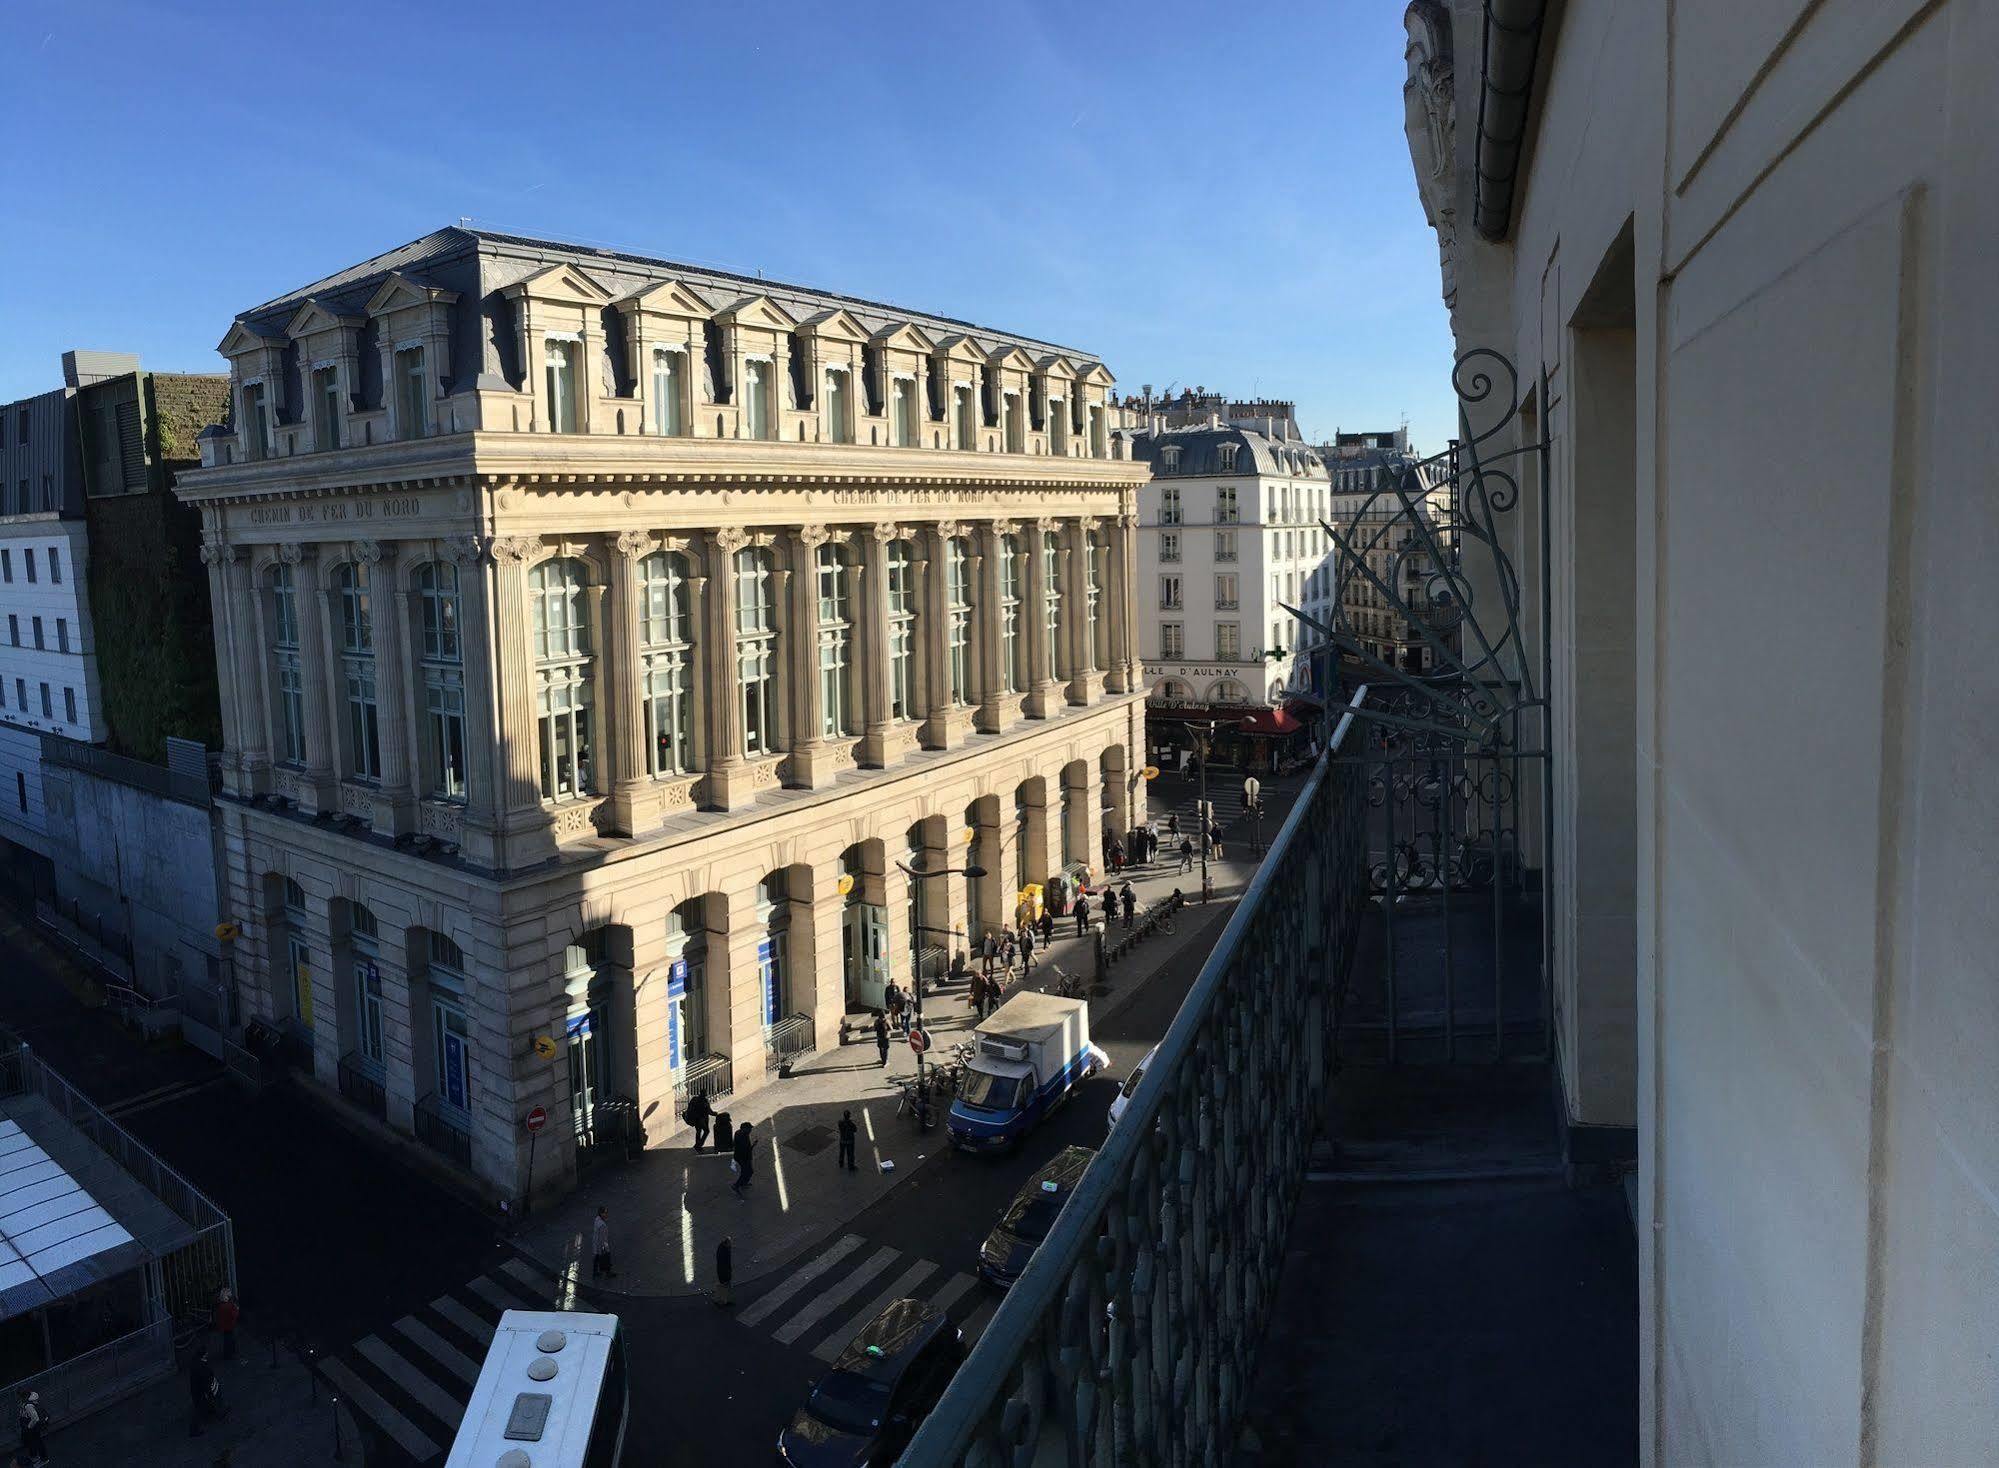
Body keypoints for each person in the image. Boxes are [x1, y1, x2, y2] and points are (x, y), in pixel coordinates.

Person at [188, 1347, 223, 1437]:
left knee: (201, 1406)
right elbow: (205, 1382)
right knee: (199, 1410)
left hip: (197, 1391)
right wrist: (209, 1393)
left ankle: (212, 1412)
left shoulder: (196, 1364)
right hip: (201, 1392)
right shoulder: (202, 1367)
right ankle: (194, 1430)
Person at [16, 1388, 46, 1465]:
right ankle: (34, 1456)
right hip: (29, 1425)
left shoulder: (28, 1405)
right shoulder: (28, 1401)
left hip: (30, 1426)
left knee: (37, 1442)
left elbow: (35, 1418)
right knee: (32, 1441)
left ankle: (43, 1459)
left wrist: (29, 1427)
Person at [213, 1285, 240, 1361]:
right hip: (230, 1325)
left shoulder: (220, 1305)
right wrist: (237, 1309)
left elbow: (218, 1316)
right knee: (230, 1339)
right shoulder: (230, 1305)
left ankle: (227, 1354)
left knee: (226, 1340)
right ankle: (231, 1353)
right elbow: (234, 1315)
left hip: (223, 1326)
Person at [731, 1121, 756, 1198]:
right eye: (749, 1128)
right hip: (744, 1158)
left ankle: (744, 1183)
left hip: (741, 1157)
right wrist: (753, 1145)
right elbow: (746, 1149)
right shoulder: (743, 1137)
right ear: (745, 1129)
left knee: (749, 1171)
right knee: (746, 1172)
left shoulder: (738, 1133)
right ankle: (736, 1185)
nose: (750, 1130)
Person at [591, 1206, 616, 1279]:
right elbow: (602, 1238)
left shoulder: (597, 1220)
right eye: (605, 1213)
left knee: (596, 1258)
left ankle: (595, 1272)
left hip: (596, 1244)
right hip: (602, 1245)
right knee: (607, 1257)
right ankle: (608, 1273)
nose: (606, 1214)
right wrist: (605, 1247)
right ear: (601, 1213)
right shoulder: (602, 1225)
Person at [713, 1235, 734, 1308]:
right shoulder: (725, 1251)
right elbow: (725, 1264)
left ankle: (721, 1299)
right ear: (727, 1243)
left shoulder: (722, 1248)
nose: (731, 1244)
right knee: (725, 1286)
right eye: (730, 1243)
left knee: (723, 1286)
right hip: (724, 1272)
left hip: (723, 1271)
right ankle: (723, 1300)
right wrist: (728, 1273)